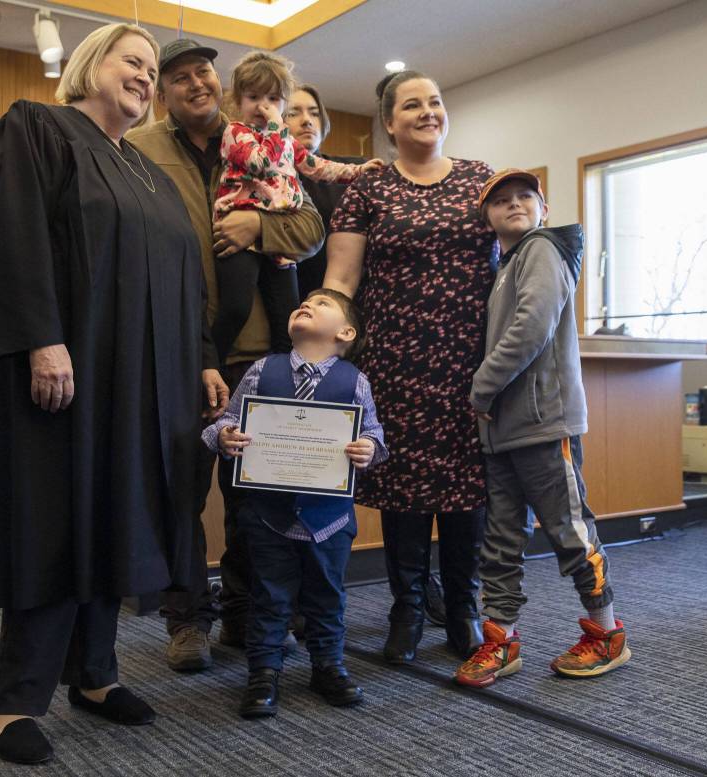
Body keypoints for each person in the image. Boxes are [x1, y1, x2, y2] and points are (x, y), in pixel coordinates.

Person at [0, 24, 211, 764]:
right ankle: (10, 702)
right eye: (130, 61)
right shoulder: (38, 129)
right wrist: (42, 336)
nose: (144, 74)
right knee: (56, 519)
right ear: (88, 65)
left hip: (143, 384)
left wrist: (199, 358)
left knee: (118, 518)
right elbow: (9, 238)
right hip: (66, 374)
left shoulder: (150, 173)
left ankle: (95, 675)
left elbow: (184, 278)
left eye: (150, 68)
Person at [128, 39, 326, 672]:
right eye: (179, 78)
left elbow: (310, 227)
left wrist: (256, 228)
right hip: (179, 350)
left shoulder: (258, 135)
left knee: (254, 497)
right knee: (180, 491)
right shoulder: (139, 150)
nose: (195, 84)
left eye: (203, 72)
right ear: (163, 93)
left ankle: (246, 616)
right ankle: (187, 618)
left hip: (255, 354)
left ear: (221, 82)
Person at [324, 70, 497, 664]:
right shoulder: (367, 190)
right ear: (389, 122)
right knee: (402, 489)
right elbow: (341, 278)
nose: (429, 112)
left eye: (437, 102)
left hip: (472, 364)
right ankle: (408, 607)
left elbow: (520, 254)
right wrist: (324, 347)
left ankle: (464, 607)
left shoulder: (482, 181)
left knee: (465, 488)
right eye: (412, 105)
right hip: (395, 361)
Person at [454, 169, 630, 688]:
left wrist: (480, 388)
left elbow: (533, 325)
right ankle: (501, 640)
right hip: (502, 431)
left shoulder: (542, 249)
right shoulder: (504, 265)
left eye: (525, 196)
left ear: (544, 208)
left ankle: (607, 633)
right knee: (501, 540)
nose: (514, 204)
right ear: (486, 217)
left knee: (570, 532)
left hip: (542, 423)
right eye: (501, 200)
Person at [203, 289, 387, 718]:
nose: (306, 304)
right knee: (268, 596)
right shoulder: (260, 370)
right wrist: (225, 438)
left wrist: (366, 448)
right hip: (268, 515)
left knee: (328, 596)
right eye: (303, 302)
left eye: (322, 304)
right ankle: (263, 672)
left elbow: (376, 436)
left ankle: (329, 666)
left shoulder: (355, 380)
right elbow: (227, 421)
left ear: (345, 332)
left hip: (329, 519)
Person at [210, 52, 380, 363]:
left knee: (288, 319)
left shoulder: (286, 140)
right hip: (240, 232)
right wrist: (277, 126)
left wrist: (357, 171)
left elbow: (316, 167)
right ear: (239, 100)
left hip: (280, 237)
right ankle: (208, 363)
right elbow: (260, 162)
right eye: (254, 97)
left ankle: (280, 379)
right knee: (236, 306)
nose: (263, 106)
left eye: (273, 99)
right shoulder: (235, 132)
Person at [284, 84, 367, 300]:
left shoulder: (355, 173)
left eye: (314, 113)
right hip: (291, 301)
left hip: (351, 305)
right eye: (293, 113)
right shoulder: (270, 179)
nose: (307, 120)